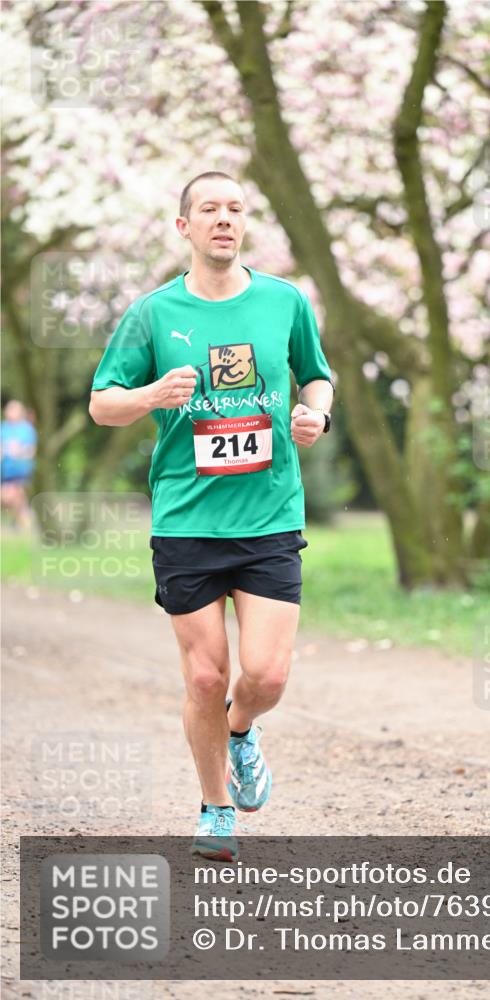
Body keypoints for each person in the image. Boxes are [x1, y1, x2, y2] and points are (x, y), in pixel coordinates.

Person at [89, 171, 334, 860]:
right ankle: (214, 807)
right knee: (203, 676)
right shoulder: (152, 314)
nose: (222, 219)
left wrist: (317, 413)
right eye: (208, 210)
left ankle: (240, 729)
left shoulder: (284, 302)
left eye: (234, 209)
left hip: (267, 515)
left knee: (265, 676)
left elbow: (315, 373)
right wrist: (151, 394)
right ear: (184, 228)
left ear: (244, 224)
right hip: (187, 519)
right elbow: (101, 403)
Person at [1, 400, 37, 532]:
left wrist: (18, 452)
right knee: (15, 499)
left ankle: (22, 524)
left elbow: (30, 451)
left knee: (9, 496)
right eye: (9, 409)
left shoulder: (26, 429)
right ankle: (26, 522)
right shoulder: (3, 428)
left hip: (21, 469)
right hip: (6, 470)